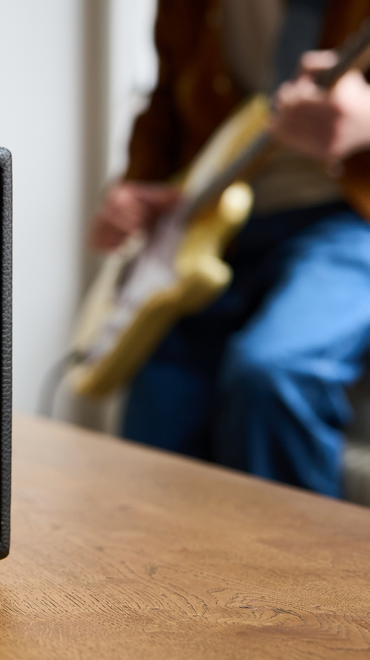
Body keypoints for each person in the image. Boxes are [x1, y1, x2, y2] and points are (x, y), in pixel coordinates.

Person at [92, 0, 370, 497]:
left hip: (350, 220)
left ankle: (300, 573)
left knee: (275, 372)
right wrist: (135, 187)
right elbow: (166, 100)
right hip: (218, 225)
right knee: (159, 391)